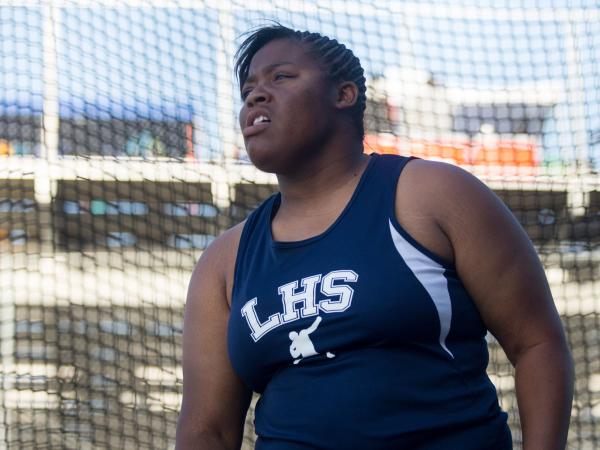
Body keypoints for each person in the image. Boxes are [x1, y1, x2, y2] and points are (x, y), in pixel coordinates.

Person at [175, 25, 574, 450]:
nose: (255, 95)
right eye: (248, 88)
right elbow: (207, 430)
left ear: (343, 94)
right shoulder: (224, 261)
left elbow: (537, 344)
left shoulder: (433, 195)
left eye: (281, 77)